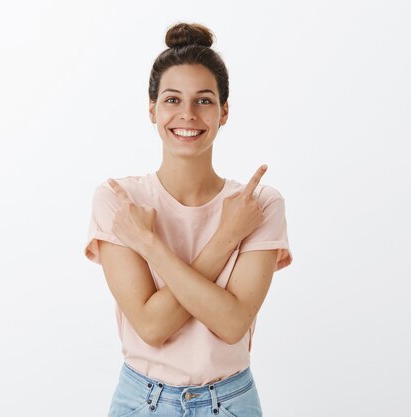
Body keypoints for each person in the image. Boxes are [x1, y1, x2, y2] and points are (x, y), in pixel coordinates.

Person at [84, 22, 293, 417]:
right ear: (152, 109)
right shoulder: (119, 203)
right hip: (142, 402)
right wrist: (227, 240)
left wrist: (150, 244)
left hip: (229, 401)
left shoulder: (258, 204)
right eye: (172, 100)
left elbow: (232, 324)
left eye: (203, 100)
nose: (187, 115)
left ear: (224, 111)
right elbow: (151, 325)